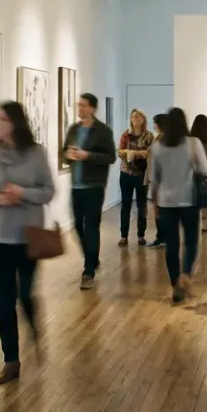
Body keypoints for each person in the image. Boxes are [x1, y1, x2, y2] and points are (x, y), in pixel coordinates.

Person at [0, 101, 56, 386]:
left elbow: (48, 191)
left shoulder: (36, 154)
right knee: (4, 302)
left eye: (3, 119)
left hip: (28, 235)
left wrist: (21, 193)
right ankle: (11, 360)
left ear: (16, 123)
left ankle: (34, 327)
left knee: (25, 294)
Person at [148, 107, 207, 303]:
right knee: (191, 241)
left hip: (166, 202)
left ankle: (175, 285)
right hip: (189, 200)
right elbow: (205, 168)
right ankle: (185, 274)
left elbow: (153, 178)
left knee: (172, 246)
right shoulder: (193, 143)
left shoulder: (158, 147)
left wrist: (154, 203)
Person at [62, 92, 116, 290]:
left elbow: (111, 157)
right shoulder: (74, 129)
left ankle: (88, 271)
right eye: (79, 105)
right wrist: (67, 154)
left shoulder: (103, 131)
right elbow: (64, 151)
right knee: (77, 226)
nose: (80, 109)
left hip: (94, 185)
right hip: (75, 185)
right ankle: (92, 257)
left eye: (83, 105)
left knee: (92, 226)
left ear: (92, 108)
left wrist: (89, 155)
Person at [116, 109, 153, 246]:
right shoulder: (126, 135)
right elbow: (120, 152)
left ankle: (141, 235)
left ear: (143, 119)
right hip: (126, 173)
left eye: (137, 116)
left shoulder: (149, 136)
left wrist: (132, 153)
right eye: (133, 117)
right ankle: (124, 235)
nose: (135, 119)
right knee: (125, 204)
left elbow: (151, 153)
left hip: (142, 174)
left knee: (141, 205)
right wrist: (138, 153)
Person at [189, 114, 207, 232]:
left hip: (193, 170)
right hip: (206, 169)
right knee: (204, 195)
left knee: (193, 197)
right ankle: (205, 225)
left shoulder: (190, 138)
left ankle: (192, 224)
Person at [146, 113, 168, 249]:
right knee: (158, 208)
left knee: (160, 208)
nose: (153, 125)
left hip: (161, 179)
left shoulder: (163, 138)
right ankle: (161, 237)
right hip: (157, 177)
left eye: (154, 122)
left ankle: (163, 237)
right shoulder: (160, 137)